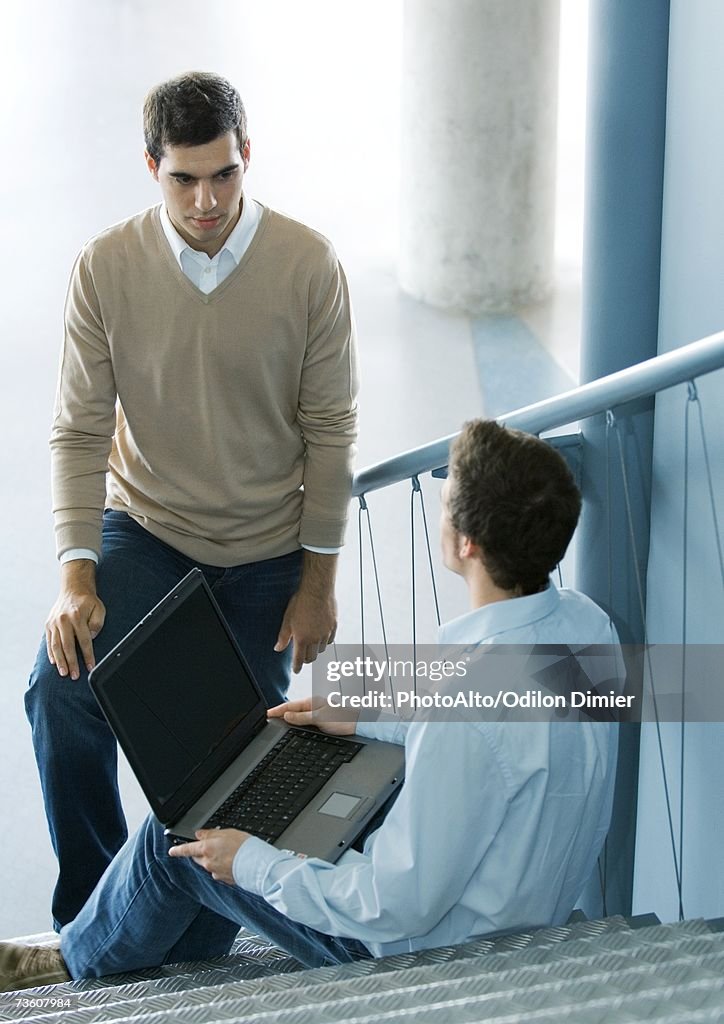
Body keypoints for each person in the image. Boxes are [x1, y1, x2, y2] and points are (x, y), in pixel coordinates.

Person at [2, 419, 623, 990]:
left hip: (423, 957)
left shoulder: (464, 712)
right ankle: (160, 938)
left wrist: (254, 863)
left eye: (444, 500)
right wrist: (368, 717)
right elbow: (504, 731)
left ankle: (71, 961)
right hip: (516, 901)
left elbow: (393, 905)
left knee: (176, 843)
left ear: (465, 544)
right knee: (284, 789)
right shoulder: (587, 629)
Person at [24, 71, 359, 931]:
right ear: (151, 167)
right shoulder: (105, 269)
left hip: (263, 555)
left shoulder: (308, 264)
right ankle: (91, 920)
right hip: (148, 533)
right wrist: (76, 573)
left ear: (247, 157)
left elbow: (331, 432)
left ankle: (192, 938)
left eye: (223, 174)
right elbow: (78, 433)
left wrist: (317, 583)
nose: (206, 200)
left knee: (237, 781)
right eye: (184, 178)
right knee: (58, 690)